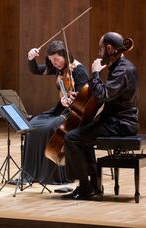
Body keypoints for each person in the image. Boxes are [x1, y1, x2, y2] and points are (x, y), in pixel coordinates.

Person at [63, 32, 139, 200]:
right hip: (113, 120)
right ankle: (92, 187)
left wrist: (96, 73)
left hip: (121, 123)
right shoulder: (119, 66)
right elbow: (108, 94)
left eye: (100, 49)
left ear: (109, 48)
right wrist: (82, 98)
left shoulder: (123, 70)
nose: (99, 54)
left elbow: (102, 95)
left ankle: (86, 187)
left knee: (71, 138)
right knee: (82, 134)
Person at [22, 40, 89, 185]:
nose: (54, 64)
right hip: (60, 109)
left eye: (56, 59)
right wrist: (31, 58)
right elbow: (36, 70)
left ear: (65, 55)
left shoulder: (79, 70)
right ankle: (32, 173)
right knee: (33, 124)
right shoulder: (59, 68)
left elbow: (85, 100)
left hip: (75, 114)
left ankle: (53, 175)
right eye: (52, 61)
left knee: (49, 128)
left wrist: (71, 102)